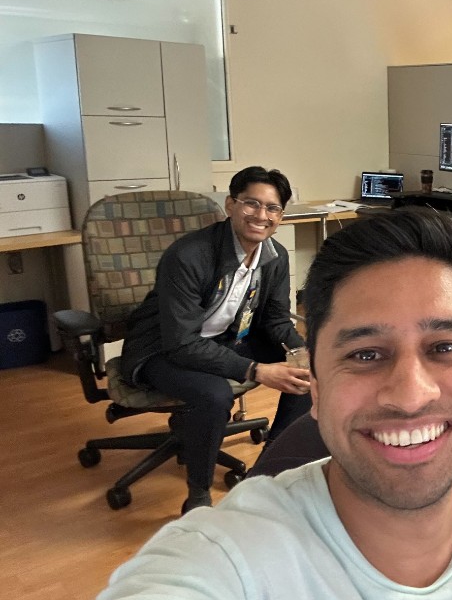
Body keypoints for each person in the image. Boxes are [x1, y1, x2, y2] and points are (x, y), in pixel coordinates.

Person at [19, 208, 452, 600]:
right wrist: (252, 368)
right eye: (365, 354)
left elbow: (271, 320)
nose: (410, 395)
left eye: (447, 347)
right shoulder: (228, 562)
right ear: (318, 386)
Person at [119, 166, 311, 514]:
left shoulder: (275, 256)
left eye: (272, 208)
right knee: (214, 394)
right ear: (230, 206)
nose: (261, 215)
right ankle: (198, 495)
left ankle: (266, 473)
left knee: (306, 376)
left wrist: (304, 352)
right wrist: (256, 370)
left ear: (280, 216)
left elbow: (275, 320)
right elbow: (181, 342)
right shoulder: (189, 255)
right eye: (251, 203)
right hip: (161, 349)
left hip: (223, 339)